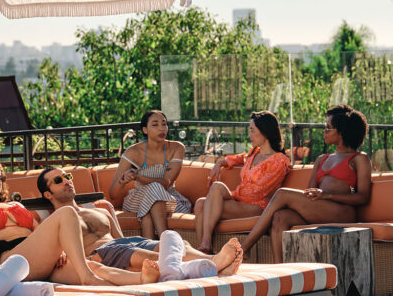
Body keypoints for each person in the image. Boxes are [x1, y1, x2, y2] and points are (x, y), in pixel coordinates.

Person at [0, 157, 158, 287]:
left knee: (95, 267)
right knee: (67, 214)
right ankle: (87, 278)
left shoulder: (15, 205)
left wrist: (60, 253)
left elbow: (41, 233)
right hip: (11, 261)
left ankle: (141, 280)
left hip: (38, 259)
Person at [37, 167, 243, 277]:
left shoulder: (99, 210)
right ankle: (213, 265)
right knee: (149, 254)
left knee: (176, 244)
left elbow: (122, 240)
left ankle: (212, 261)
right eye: (58, 180)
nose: (66, 181)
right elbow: (44, 247)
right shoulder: (55, 221)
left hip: (121, 246)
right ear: (48, 194)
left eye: (67, 176)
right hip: (98, 254)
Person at [239, 105, 372, 262]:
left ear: (342, 132)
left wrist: (326, 194)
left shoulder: (359, 159)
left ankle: (244, 248)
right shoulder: (321, 159)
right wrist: (316, 195)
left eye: (328, 127)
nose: (324, 131)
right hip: (320, 209)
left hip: (343, 213)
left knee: (282, 194)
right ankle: (281, 272)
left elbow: (363, 197)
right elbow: (309, 191)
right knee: (280, 217)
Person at [194, 110, 291, 254]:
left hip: (258, 207)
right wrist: (222, 162)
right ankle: (205, 247)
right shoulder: (254, 153)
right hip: (239, 202)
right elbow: (240, 158)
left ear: (265, 131)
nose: (249, 135)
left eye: (252, 131)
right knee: (202, 201)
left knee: (207, 204)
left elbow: (259, 191)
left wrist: (234, 195)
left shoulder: (279, 161)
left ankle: (205, 249)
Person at [108, 110, 192, 238]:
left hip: (169, 198)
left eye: (164, 124)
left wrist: (138, 176)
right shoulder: (133, 152)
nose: (161, 128)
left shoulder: (176, 148)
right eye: (155, 125)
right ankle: (166, 241)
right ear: (145, 130)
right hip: (137, 198)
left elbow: (166, 183)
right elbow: (112, 194)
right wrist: (123, 181)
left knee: (149, 206)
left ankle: (150, 250)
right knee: (152, 193)